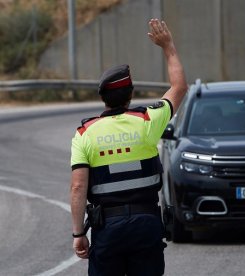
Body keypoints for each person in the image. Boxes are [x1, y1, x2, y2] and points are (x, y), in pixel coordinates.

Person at [70, 18, 187, 276]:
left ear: (102, 98)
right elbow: (179, 87)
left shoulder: (84, 134)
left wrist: (79, 233)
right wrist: (168, 47)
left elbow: (78, 186)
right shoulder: (147, 121)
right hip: (146, 226)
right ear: (131, 94)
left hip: (108, 230)